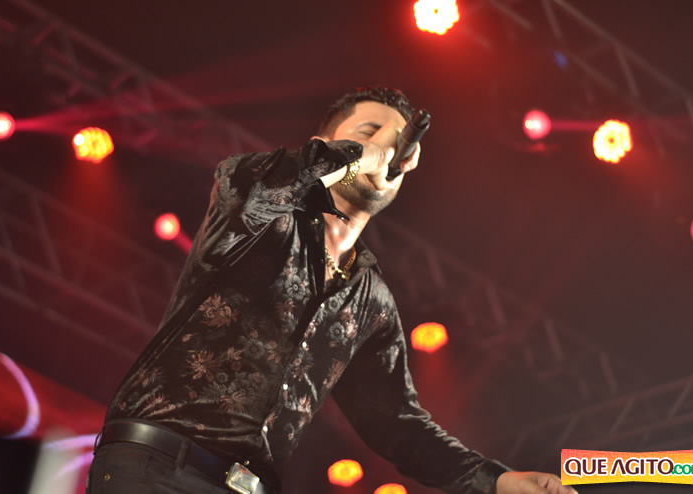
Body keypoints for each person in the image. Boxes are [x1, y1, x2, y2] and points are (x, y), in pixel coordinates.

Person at [87, 86, 576, 494]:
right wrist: (363, 154)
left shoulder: (370, 302)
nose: (387, 147)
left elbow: (396, 422)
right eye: (368, 131)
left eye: (398, 143)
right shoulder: (263, 214)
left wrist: (496, 480)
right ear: (322, 145)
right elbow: (251, 188)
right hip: (156, 469)